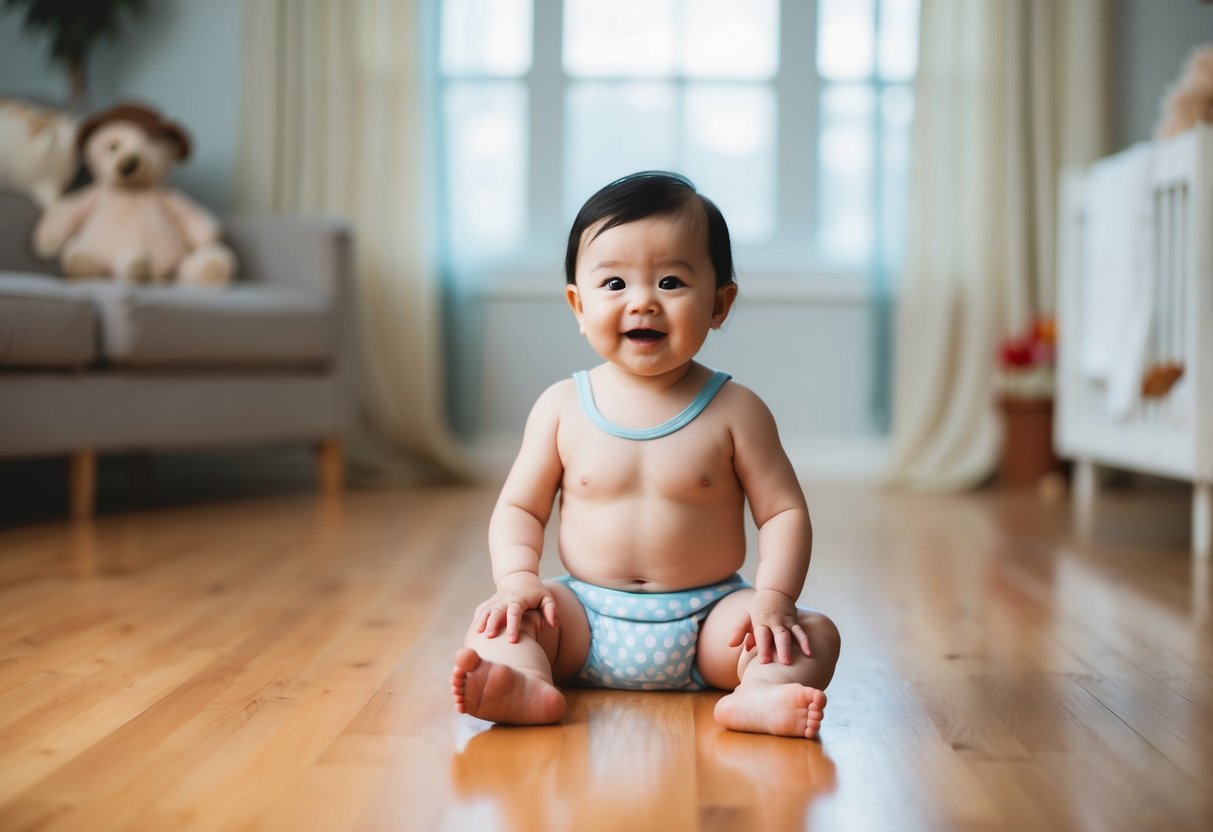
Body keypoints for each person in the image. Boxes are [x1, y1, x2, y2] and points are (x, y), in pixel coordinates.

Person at [450, 171, 841, 738]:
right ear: (577, 305)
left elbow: (783, 512)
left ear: (719, 304)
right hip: (581, 617)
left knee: (815, 632)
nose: (643, 302)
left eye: (671, 281)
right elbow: (520, 509)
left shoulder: (736, 410)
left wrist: (774, 600)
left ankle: (759, 693)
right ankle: (521, 682)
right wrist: (516, 581)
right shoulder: (562, 407)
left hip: (712, 620)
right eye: (614, 284)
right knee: (501, 625)